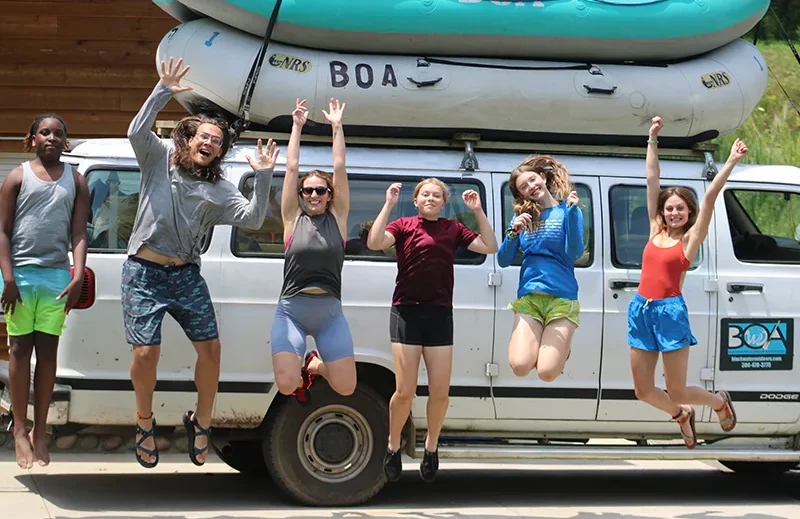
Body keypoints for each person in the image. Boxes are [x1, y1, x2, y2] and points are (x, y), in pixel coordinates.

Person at [124, 57, 278, 469]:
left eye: (217, 141)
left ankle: (202, 421)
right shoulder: (158, 162)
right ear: (190, 139)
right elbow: (135, 130)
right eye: (204, 136)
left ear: (221, 151)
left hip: (186, 274)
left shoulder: (220, 189)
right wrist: (161, 90)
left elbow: (253, 218)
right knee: (145, 355)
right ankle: (144, 423)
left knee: (211, 349)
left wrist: (263, 176)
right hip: (143, 272)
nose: (209, 143)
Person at [367, 179, 498, 482]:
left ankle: (431, 446)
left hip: (439, 314)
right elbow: (374, 242)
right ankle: (393, 444)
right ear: (416, 200)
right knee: (405, 391)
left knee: (440, 392)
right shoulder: (403, 225)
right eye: (425, 194)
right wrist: (388, 203)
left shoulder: (452, 229)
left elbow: (490, 246)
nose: (430, 198)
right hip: (406, 313)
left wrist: (477, 211)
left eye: (436, 196)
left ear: (443, 202)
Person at [629, 116, 740, 449]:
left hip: (670, 312)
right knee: (643, 390)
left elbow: (709, 199)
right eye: (669, 208)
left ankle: (718, 402)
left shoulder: (689, 241)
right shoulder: (654, 229)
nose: (674, 213)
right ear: (662, 212)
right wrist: (652, 138)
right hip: (641, 309)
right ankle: (681, 415)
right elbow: (652, 179)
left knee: (676, 387)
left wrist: (731, 161)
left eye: (680, 209)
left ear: (688, 213)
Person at [0, 113, 90, 468]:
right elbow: (3, 232)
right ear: (32, 138)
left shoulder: (77, 181)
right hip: (18, 277)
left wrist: (78, 274)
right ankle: (19, 429)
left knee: (48, 354)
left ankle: (40, 430)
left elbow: (79, 233)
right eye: (44, 132)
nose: (51, 138)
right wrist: (7, 277)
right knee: (20, 350)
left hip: (55, 277)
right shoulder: (17, 177)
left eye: (58, 134)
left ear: (66, 142)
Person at [270, 97, 356, 404]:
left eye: (321, 189)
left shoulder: (339, 219)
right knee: (286, 384)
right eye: (308, 190)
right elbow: (291, 167)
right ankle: (300, 368)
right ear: (302, 195)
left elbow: (340, 166)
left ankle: (314, 364)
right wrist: (296, 126)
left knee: (346, 387)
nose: (314, 194)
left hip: (330, 313)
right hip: (292, 310)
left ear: (330, 195)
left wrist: (336, 127)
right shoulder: (293, 218)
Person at [497, 156, 583, 383]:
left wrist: (573, 214)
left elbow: (574, 252)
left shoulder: (567, 211)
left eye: (533, 180)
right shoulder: (522, 218)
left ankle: (560, 351)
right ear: (521, 194)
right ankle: (547, 346)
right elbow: (503, 260)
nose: (531, 187)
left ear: (543, 178)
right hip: (530, 297)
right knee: (520, 366)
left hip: (561, 298)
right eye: (523, 187)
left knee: (546, 372)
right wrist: (513, 232)